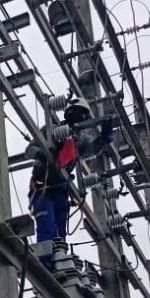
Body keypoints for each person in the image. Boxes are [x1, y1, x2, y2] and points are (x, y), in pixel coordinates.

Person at [27, 96, 113, 264]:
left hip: (60, 191)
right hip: (42, 187)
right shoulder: (51, 130)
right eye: (76, 113)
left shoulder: (78, 141)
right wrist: (44, 154)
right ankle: (45, 265)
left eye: (82, 115)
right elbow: (30, 150)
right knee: (47, 226)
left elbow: (93, 149)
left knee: (59, 232)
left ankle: (59, 263)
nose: (78, 117)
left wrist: (104, 137)